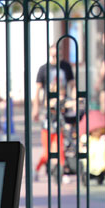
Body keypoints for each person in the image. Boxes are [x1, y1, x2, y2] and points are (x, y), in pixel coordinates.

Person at [32, 45, 74, 177]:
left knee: (62, 144)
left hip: (62, 110)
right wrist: (36, 108)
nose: (56, 57)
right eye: (53, 54)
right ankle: (39, 168)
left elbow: (73, 85)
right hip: (49, 113)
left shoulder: (66, 67)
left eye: (58, 54)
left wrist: (73, 102)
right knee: (48, 150)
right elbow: (38, 90)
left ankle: (63, 172)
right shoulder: (44, 69)